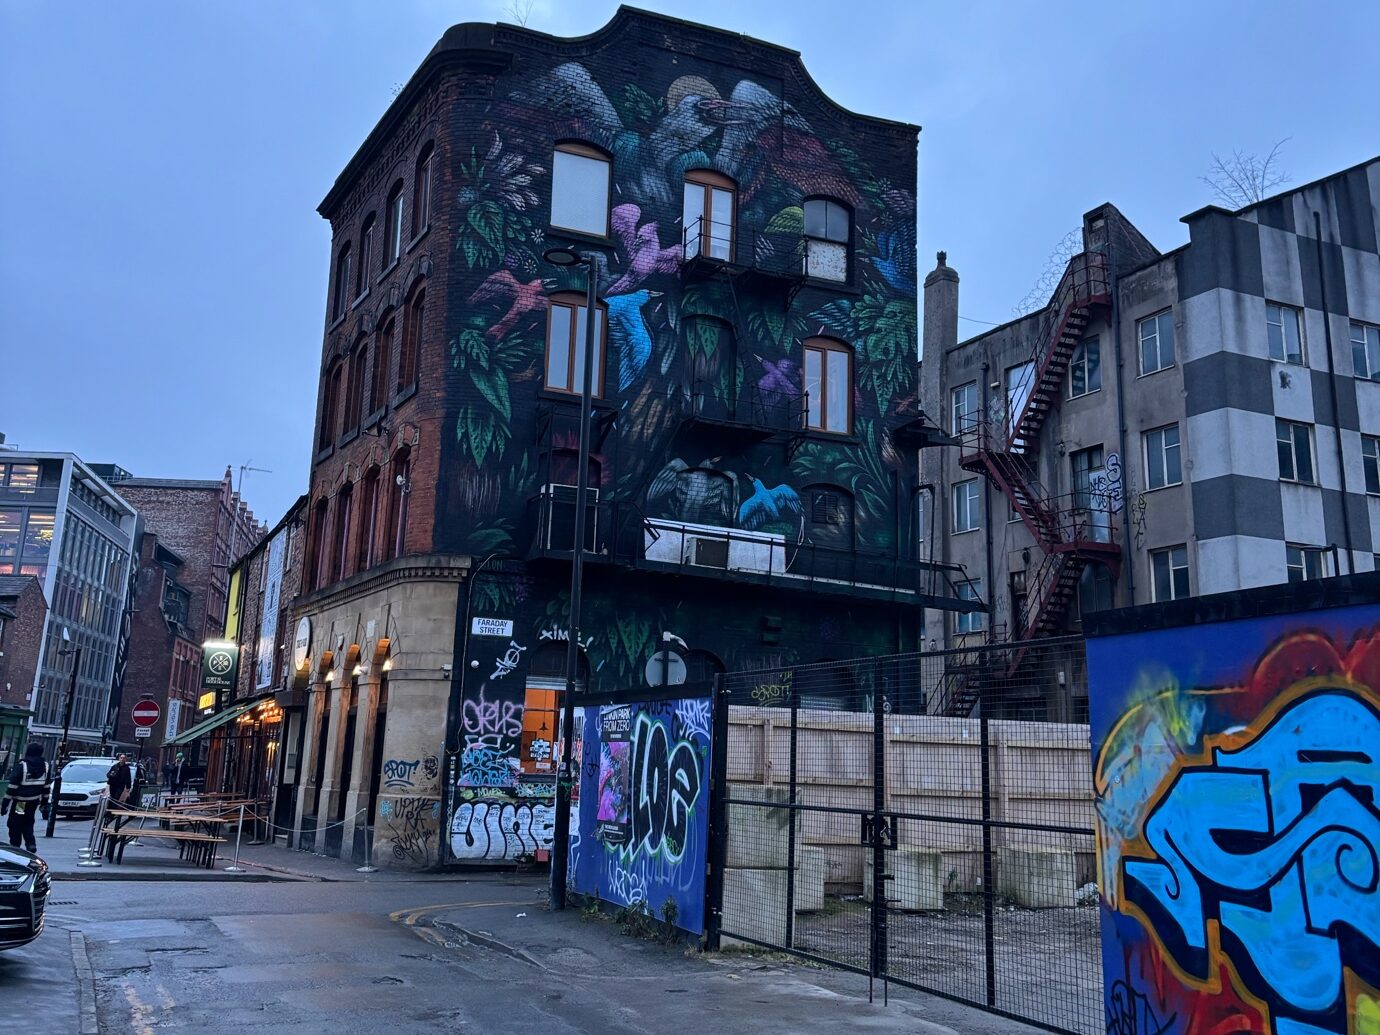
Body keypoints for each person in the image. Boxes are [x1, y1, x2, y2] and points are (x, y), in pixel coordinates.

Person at [4, 742, 52, 852]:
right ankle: (31, 844)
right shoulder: (45, 766)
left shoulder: (23, 765)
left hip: (21, 802)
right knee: (28, 822)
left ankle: (15, 845)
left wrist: (5, 805)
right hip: (34, 801)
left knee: (15, 823)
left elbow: (12, 786)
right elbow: (46, 787)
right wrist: (44, 803)